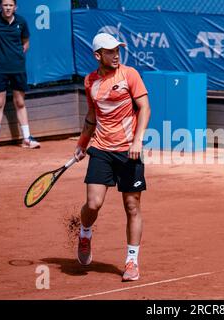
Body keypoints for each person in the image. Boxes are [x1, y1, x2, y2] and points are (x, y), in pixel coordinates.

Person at [74, 33, 151, 281]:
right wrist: (82, 144)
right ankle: (85, 233)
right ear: (98, 56)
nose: (116, 54)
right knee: (94, 204)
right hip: (101, 148)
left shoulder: (130, 74)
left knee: (132, 206)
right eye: (110, 51)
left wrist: (138, 140)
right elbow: (92, 115)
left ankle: (131, 261)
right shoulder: (90, 82)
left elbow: (145, 107)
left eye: (118, 50)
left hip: (130, 150)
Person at [0, 0, 40, 150]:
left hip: (18, 69)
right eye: (5, 5)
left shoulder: (21, 22)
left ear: (15, 7)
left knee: (20, 102)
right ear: (0, 6)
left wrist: (16, 57)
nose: (8, 8)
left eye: (10, 5)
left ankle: (27, 139)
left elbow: (25, 43)